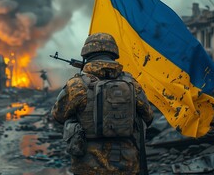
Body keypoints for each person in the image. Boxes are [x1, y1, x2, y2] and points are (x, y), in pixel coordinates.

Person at [51, 33, 154, 175]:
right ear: (114, 54)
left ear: (86, 54)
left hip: (87, 168)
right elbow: (148, 117)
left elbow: (58, 116)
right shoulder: (132, 83)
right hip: (127, 166)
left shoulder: (76, 85)